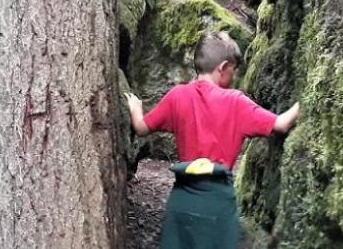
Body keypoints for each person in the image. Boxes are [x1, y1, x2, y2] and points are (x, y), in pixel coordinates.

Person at [125, 30, 301, 249]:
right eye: (234, 70)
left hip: (181, 200)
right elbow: (282, 123)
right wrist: (306, 97)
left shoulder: (177, 96)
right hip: (217, 203)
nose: (234, 76)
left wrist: (136, 108)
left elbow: (141, 128)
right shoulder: (236, 102)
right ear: (223, 67)